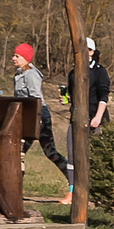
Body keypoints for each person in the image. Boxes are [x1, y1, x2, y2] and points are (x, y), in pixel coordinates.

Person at [10, 42, 72, 205]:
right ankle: (14, 191)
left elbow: (35, 99)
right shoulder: (18, 75)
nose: (13, 58)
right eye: (14, 55)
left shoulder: (31, 74)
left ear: (26, 58)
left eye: (17, 56)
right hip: (26, 118)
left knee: (49, 153)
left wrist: (34, 121)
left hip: (38, 118)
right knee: (18, 154)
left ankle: (74, 184)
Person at [85, 37, 111, 133]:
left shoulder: (100, 71)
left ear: (91, 51)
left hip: (96, 120)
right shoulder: (73, 72)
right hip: (76, 120)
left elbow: (103, 96)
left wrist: (98, 117)